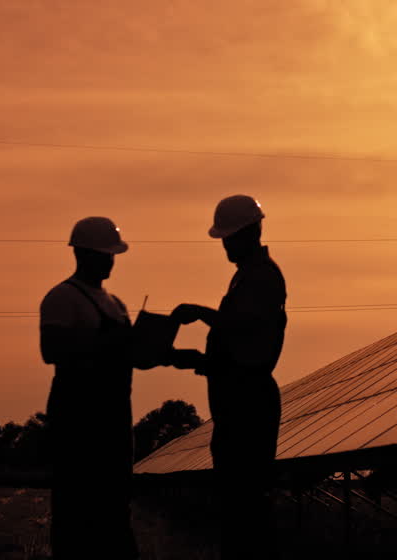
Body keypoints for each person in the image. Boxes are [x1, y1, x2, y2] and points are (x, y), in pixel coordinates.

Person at [40, 216, 198, 560]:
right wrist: (112, 344)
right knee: (75, 507)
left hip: (113, 417)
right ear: (85, 254)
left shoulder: (116, 304)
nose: (112, 260)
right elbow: (51, 350)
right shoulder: (62, 298)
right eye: (107, 253)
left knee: (114, 505)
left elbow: (134, 357)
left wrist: (168, 354)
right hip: (78, 419)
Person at [172, 195, 288, 560]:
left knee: (245, 506)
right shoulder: (247, 276)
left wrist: (200, 313)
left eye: (228, 238)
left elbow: (245, 328)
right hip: (238, 400)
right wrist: (203, 361)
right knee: (238, 505)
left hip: (248, 403)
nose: (224, 246)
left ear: (249, 233)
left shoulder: (262, 277)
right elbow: (240, 345)